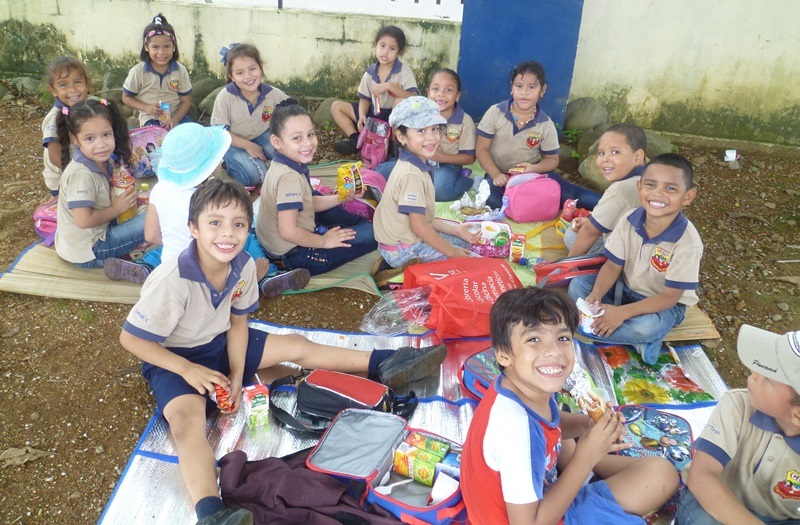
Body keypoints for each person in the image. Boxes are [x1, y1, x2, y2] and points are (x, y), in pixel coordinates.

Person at [119, 178, 447, 525]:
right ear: (193, 228)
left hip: (220, 343)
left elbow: (238, 323)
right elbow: (132, 340)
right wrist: (188, 370)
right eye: (215, 223)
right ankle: (212, 512)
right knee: (187, 425)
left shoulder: (243, 265)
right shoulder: (172, 279)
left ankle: (387, 362)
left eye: (238, 224)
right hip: (175, 360)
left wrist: (236, 373)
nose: (227, 233)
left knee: (295, 345)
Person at [461, 287, 679, 524]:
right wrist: (584, 459)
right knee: (659, 478)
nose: (554, 352)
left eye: (562, 338)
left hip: (545, 493)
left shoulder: (522, 386)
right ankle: (591, 466)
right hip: (536, 517)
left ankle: (594, 464)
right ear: (504, 355)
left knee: (662, 471)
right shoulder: (515, 430)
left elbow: (550, 422)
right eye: (534, 339)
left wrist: (588, 425)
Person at [103, 123, 310, 298]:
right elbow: (222, 244)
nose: (221, 160)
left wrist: (180, 240)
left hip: (173, 272)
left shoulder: (159, 189)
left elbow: (151, 236)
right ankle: (265, 276)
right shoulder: (211, 201)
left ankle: (146, 266)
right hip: (209, 277)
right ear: (208, 166)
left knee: (171, 242)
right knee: (247, 238)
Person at [567, 153, 702, 365]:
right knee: (579, 286)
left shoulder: (687, 242)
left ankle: (601, 329)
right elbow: (613, 265)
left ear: (688, 197)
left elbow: (669, 298)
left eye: (670, 188)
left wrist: (621, 313)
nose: (658, 193)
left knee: (648, 327)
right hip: (625, 289)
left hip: (664, 305)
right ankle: (631, 338)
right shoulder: (629, 219)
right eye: (651, 185)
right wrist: (596, 295)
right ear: (639, 187)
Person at [677, 325, 800, 525]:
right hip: (714, 501)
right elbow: (702, 477)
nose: (755, 372)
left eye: (769, 377)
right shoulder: (737, 405)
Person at [256, 100, 376, 275]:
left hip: (280, 243)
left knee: (314, 194)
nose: (308, 143)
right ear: (276, 142)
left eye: (310, 134)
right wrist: (324, 241)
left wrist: (341, 198)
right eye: (297, 138)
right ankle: (336, 231)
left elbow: (308, 202)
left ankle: (343, 227)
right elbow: (288, 232)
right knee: (374, 233)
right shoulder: (289, 178)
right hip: (296, 254)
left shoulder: (285, 163)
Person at [476, 60, 601, 211]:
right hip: (498, 174)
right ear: (511, 87)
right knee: (493, 201)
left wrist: (533, 169)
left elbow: (552, 160)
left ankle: (613, 206)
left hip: (532, 175)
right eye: (519, 86)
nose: (524, 92)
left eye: (532, 87)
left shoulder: (545, 124)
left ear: (542, 90)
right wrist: (495, 174)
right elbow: (481, 149)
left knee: (570, 193)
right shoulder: (496, 112)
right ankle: (532, 202)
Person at [372, 96, 478, 272]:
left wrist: (456, 230)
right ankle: (398, 269)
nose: (431, 137)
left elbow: (425, 219)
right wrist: (453, 253)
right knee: (472, 261)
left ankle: (395, 264)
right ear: (401, 136)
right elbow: (420, 227)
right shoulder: (411, 175)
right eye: (421, 130)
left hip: (400, 241)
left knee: (465, 241)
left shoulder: (416, 162)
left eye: (434, 129)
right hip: (404, 250)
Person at [54, 98, 145, 268]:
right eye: (90, 138)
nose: (101, 144)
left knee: (148, 210)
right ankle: (126, 261)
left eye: (106, 135)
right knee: (155, 218)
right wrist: (116, 208)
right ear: (74, 139)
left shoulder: (101, 160)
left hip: (97, 234)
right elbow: (83, 220)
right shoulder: (81, 174)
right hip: (90, 250)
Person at [375, 68, 477, 202]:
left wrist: (442, 157)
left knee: (440, 191)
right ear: (428, 93)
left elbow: (469, 158)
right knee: (379, 174)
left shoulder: (465, 121)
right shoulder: (419, 113)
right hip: (416, 159)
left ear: (457, 95)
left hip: (447, 164)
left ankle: (465, 180)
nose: (441, 94)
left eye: (449, 90)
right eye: (435, 89)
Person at [210, 43, 289, 188]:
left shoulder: (273, 94)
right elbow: (219, 132)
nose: (248, 76)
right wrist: (247, 145)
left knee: (289, 153)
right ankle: (224, 166)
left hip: (261, 136)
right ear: (231, 76)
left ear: (260, 68)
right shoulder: (225, 97)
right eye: (240, 73)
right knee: (253, 176)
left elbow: (294, 113)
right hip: (233, 142)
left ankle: (258, 162)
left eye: (252, 69)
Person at [331, 25, 418, 155]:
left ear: (400, 52)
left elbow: (414, 98)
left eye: (392, 48)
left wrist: (390, 86)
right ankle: (357, 141)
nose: (385, 52)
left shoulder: (403, 71)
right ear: (375, 46)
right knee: (336, 106)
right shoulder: (370, 72)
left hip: (392, 118)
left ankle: (391, 147)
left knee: (399, 102)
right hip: (373, 115)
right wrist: (362, 115)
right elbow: (365, 98)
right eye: (382, 46)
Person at [566, 124, 647, 256]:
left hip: (622, 259)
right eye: (601, 153)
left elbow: (589, 232)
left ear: (638, 157)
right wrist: (591, 221)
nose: (605, 159)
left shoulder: (619, 190)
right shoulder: (649, 179)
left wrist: (566, 265)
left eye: (615, 152)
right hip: (643, 250)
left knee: (571, 234)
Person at [122, 13, 192, 129]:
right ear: (146, 47)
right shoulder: (138, 71)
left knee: (192, 133)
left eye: (166, 46)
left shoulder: (180, 70)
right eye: (155, 47)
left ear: (173, 46)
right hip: (151, 119)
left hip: (177, 117)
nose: (161, 52)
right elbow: (126, 98)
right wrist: (145, 107)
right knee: (157, 138)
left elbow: (186, 101)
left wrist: (176, 119)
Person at [42, 55, 91, 196]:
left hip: (83, 173)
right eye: (63, 85)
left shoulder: (85, 109)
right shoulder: (55, 118)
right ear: (53, 90)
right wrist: (79, 174)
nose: (72, 89)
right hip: (63, 181)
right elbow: (55, 157)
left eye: (77, 82)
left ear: (87, 83)